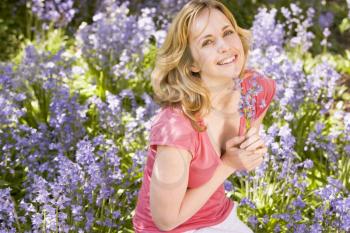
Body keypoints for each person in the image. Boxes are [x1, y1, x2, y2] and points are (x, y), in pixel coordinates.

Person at [132, 0, 276, 232]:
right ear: (191, 65)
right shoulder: (178, 126)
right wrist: (229, 163)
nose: (224, 46)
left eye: (227, 32)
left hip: (217, 215)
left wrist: (251, 153)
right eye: (207, 42)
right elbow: (166, 221)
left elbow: (247, 153)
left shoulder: (257, 90)